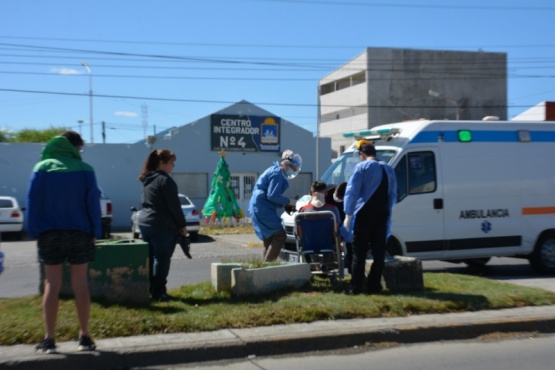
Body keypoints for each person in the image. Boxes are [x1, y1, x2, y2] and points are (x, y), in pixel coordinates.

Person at [26, 131, 100, 354]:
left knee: (52, 284)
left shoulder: (42, 168)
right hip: (79, 233)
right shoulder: (85, 169)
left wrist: (35, 231)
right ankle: (84, 337)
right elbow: (92, 204)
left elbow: (32, 202)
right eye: (80, 149)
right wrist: (95, 232)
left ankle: (49, 339)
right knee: (80, 284)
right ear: (74, 147)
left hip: (50, 235)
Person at [343, 140, 397, 295]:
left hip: (364, 214)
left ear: (361, 154)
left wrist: (348, 213)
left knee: (358, 252)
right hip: (383, 214)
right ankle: (374, 286)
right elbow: (393, 194)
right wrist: (388, 212)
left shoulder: (361, 167)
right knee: (379, 252)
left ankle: (356, 287)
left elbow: (352, 192)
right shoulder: (388, 168)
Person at [138, 149, 188, 302]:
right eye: (171, 162)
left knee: (151, 258)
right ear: (162, 163)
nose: (173, 166)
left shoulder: (148, 179)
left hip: (145, 222)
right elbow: (174, 206)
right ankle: (159, 293)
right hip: (161, 225)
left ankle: (151, 290)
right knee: (162, 259)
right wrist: (182, 226)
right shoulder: (165, 180)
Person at [248, 149, 302, 261]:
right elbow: (272, 195)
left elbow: (272, 197)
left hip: (258, 207)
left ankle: (264, 271)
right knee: (280, 235)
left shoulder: (275, 171)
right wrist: (289, 202)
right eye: (293, 168)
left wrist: (285, 204)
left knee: (270, 238)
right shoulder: (277, 173)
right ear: (287, 164)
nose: (293, 171)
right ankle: (268, 266)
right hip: (262, 208)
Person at [298, 180, 342, 268]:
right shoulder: (333, 210)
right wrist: (340, 247)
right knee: (331, 240)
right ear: (326, 194)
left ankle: (313, 264)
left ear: (311, 193)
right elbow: (335, 233)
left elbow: (300, 234)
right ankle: (324, 263)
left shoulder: (303, 210)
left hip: (308, 245)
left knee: (305, 241)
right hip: (327, 245)